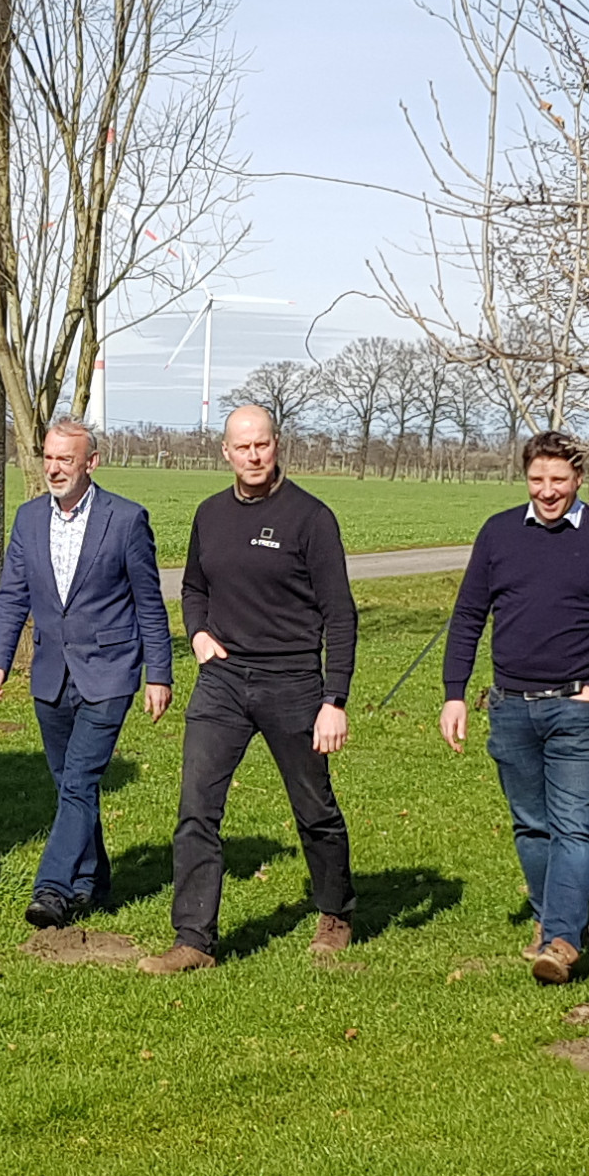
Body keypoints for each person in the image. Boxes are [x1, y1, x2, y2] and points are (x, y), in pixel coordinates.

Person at [438, 432, 589, 985]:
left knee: (573, 827)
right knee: (531, 826)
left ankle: (560, 941)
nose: (548, 491)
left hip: (579, 709)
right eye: (538, 479)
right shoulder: (499, 533)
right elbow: (468, 617)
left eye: (559, 480)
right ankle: (550, 920)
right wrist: (455, 692)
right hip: (510, 706)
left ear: (578, 478)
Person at [154, 403, 356, 972]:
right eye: (242, 447)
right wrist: (196, 633)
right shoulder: (210, 514)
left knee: (313, 808)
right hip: (221, 683)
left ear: (276, 445)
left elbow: (340, 615)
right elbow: (193, 585)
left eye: (261, 445)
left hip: (292, 683)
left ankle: (335, 911)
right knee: (196, 809)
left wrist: (333, 700)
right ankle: (193, 940)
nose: (253, 455)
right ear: (226, 451)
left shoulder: (311, 518)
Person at [0, 420, 172, 927]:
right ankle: (93, 879)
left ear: (91, 463)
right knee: (71, 783)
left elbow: (149, 604)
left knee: (80, 780)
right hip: (49, 675)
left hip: (109, 673)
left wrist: (160, 674)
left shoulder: (126, 520)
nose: (54, 468)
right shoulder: (27, 520)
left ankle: (53, 887)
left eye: (66, 459)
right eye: (48, 457)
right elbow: (12, 597)